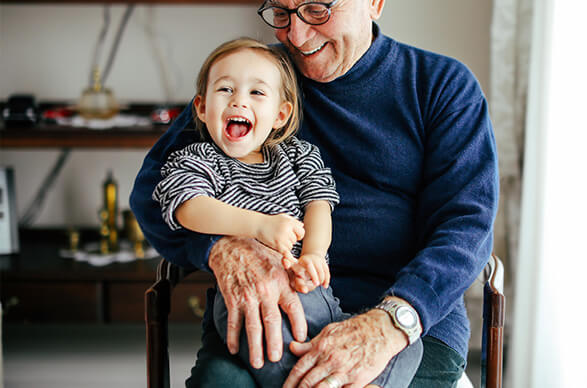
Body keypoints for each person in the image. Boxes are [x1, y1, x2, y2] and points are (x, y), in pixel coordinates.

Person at [130, 0, 498, 388]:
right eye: (280, 12)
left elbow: (465, 227)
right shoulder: (257, 82)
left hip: (403, 321)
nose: (297, 36)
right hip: (269, 311)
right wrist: (222, 245)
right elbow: (154, 188)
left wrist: (390, 324)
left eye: (317, 9)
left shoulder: (442, 87)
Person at [151, 38, 422, 387]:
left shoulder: (298, 156)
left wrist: (313, 254)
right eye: (225, 89)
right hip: (248, 299)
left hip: (315, 293)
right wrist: (258, 226)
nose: (239, 100)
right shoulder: (199, 159)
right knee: (270, 343)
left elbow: (319, 205)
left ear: (281, 114)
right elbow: (188, 207)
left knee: (407, 346)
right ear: (202, 108)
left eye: (256, 93)